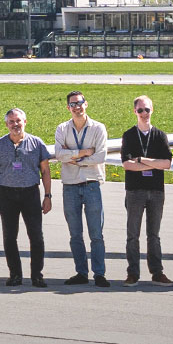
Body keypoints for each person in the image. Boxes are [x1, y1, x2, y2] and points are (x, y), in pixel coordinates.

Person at [0, 107, 55, 288]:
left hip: (30, 193)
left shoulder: (37, 143)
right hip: (7, 194)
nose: (15, 125)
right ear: (6, 124)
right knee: (9, 236)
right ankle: (15, 274)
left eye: (18, 121)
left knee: (36, 236)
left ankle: (37, 275)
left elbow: (46, 170)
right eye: (11, 122)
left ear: (25, 122)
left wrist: (47, 195)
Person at [54, 92, 110, 286]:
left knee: (96, 233)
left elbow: (101, 156)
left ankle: (99, 273)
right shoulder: (62, 128)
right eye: (72, 104)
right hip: (70, 186)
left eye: (79, 103)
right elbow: (59, 155)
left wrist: (75, 160)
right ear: (68, 108)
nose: (76, 107)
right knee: (75, 233)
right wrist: (83, 153)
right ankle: (81, 272)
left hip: (92, 184)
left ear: (86, 104)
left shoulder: (98, 128)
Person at [118, 96, 173, 283]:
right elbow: (127, 164)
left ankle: (157, 271)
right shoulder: (129, 135)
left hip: (156, 191)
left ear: (152, 110)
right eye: (140, 110)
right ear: (135, 112)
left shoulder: (160, 135)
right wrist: (153, 164)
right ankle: (133, 272)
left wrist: (142, 160)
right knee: (133, 234)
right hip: (135, 191)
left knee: (154, 234)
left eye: (147, 110)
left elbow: (166, 163)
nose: (144, 114)